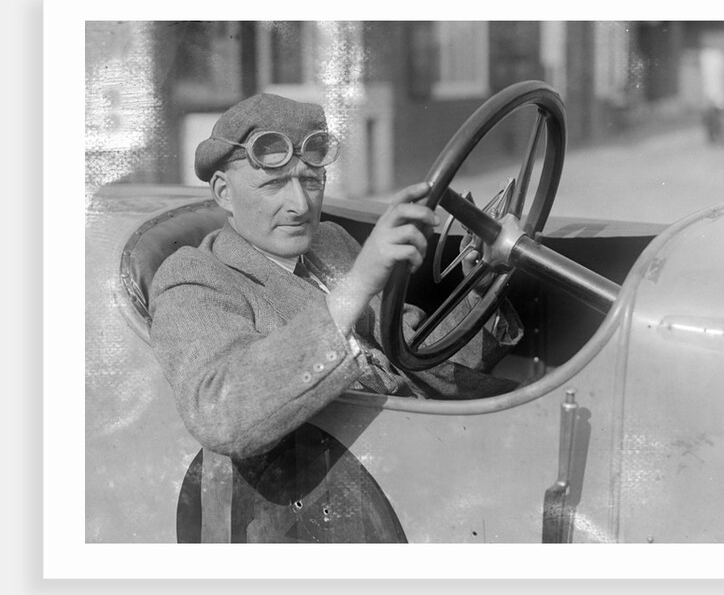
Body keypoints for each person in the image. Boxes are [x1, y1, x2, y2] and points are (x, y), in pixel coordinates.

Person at [149, 93, 523, 542]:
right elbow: (219, 413)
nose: (300, 205)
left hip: (433, 457)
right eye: (273, 185)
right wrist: (356, 287)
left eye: (310, 181)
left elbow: (414, 355)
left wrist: (481, 285)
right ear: (224, 193)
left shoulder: (329, 241)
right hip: (338, 511)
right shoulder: (196, 277)